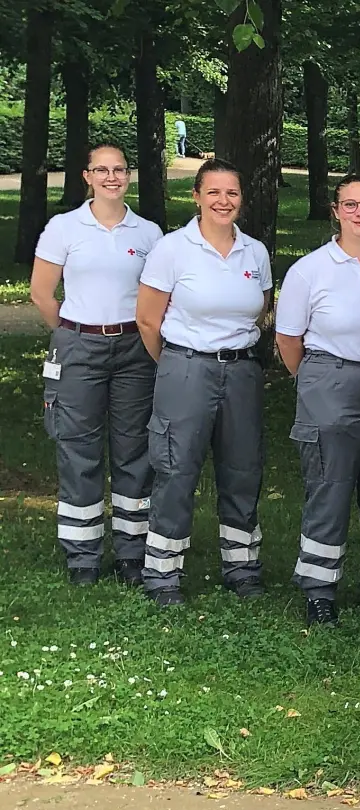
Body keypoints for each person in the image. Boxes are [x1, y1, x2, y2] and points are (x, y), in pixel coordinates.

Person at [276, 173, 360, 625]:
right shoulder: (309, 270)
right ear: (336, 211)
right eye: (350, 204)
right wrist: (316, 381)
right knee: (330, 484)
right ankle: (319, 588)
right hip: (331, 378)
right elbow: (288, 339)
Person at [134, 158, 273, 606]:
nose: (223, 201)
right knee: (176, 468)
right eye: (213, 192)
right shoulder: (173, 249)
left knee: (242, 468)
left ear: (242, 199)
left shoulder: (255, 252)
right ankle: (162, 573)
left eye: (231, 193)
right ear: (196, 196)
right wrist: (181, 363)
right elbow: (148, 320)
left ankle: (242, 565)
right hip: (186, 367)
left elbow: (262, 310)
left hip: (242, 370)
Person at [30, 143, 163, 586]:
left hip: (134, 350)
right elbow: (42, 294)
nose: (111, 177)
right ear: (87, 176)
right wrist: (73, 332)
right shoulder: (64, 227)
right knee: (78, 449)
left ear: (129, 175)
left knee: (134, 451)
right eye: (101, 170)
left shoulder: (148, 234)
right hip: (79, 347)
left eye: (119, 169)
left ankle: (132, 552)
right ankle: (83, 555)